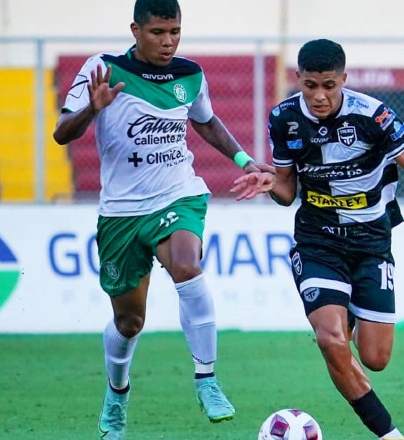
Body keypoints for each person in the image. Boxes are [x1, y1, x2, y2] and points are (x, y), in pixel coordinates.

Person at [53, 0, 270, 438]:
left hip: (177, 194)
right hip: (121, 213)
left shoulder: (189, 75)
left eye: (175, 31)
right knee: (129, 322)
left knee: (188, 265)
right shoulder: (103, 68)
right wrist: (93, 109)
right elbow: (62, 133)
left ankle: (207, 378)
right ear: (136, 30)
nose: (168, 41)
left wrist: (245, 160)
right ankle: (116, 395)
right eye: (158, 32)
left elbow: (206, 122)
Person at [232, 39, 404, 440]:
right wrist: (271, 182)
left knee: (375, 358)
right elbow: (288, 192)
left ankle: (346, 318)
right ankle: (390, 435)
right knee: (331, 339)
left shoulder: (373, 117)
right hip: (317, 240)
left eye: (328, 85)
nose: (319, 96)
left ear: (344, 78)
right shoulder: (284, 119)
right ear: (298, 80)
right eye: (310, 86)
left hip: (371, 241)